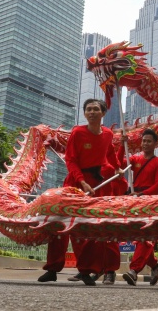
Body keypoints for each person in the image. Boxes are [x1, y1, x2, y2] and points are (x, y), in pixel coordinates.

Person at [38, 99, 122, 286]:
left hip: (96, 184)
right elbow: (71, 159)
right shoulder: (77, 132)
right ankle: (52, 268)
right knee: (60, 222)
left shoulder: (108, 134)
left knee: (91, 226)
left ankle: (86, 270)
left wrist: (117, 168)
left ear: (103, 113)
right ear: (84, 113)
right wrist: (81, 181)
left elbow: (110, 153)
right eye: (88, 109)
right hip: (75, 182)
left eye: (95, 109)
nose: (91, 112)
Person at [118, 129, 158, 286]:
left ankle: (133, 271)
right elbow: (120, 164)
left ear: (155, 144)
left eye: (149, 141)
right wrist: (121, 145)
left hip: (151, 201)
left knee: (145, 237)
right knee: (139, 236)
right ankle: (154, 265)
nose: (145, 143)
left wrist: (143, 194)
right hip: (135, 200)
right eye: (143, 140)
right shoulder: (135, 159)